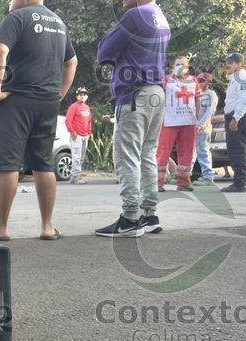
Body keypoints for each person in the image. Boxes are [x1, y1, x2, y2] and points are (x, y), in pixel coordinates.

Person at [0, 0, 77, 242]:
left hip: (17, 99)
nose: (10, 2)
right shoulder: (58, 22)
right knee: (43, 163)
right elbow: (71, 62)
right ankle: (47, 226)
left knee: (9, 163)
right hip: (47, 102)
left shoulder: (17, 18)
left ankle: (0, 228)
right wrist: (60, 93)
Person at [96, 0, 171, 238]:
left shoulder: (135, 14)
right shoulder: (160, 15)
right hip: (156, 91)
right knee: (147, 154)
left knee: (127, 155)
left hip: (134, 93)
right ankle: (150, 214)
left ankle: (129, 219)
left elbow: (103, 51)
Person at [156, 56, 201, 192]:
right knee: (163, 152)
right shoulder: (166, 79)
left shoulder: (193, 81)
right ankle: (158, 182)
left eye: (183, 64)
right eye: (177, 64)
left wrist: (196, 117)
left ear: (188, 66)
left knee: (187, 152)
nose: (180, 67)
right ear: (173, 66)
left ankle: (184, 183)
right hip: (169, 121)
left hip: (188, 122)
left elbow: (198, 100)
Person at [222, 53, 246, 193]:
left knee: (237, 149)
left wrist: (235, 118)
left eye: (231, 62)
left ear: (239, 64)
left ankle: (240, 183)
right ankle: (240, 181)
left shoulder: (241, 76)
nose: (227, 65)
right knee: (238, 148)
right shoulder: (235, 78)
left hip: (238, 117)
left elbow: (244, 98)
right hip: (236, 115)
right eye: (227, 62)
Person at [192, 72, 219, 186]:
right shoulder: (197, 94)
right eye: (198, 80)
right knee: (191, 153)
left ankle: (208, 177)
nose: (199, 82)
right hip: (193, 128)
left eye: (202, 81)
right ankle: (186, 176)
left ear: (208, 83)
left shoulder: (210, 94)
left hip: (203, 128)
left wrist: (200, 125)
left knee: (203, 151)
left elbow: (209, 112)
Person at [65, 87, 93, 184]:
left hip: (85, 135)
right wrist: (72, 132)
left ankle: (73, 177)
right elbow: (68, 120)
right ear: (77, 96)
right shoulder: (74, 106)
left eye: (84, 94)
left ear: (87, 96)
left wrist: (89, 132)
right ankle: (77, 177)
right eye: (80, 94)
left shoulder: (87, 108)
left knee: (81, 157)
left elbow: (89, 121)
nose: (82, 96)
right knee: (76, 157)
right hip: (77, 135)